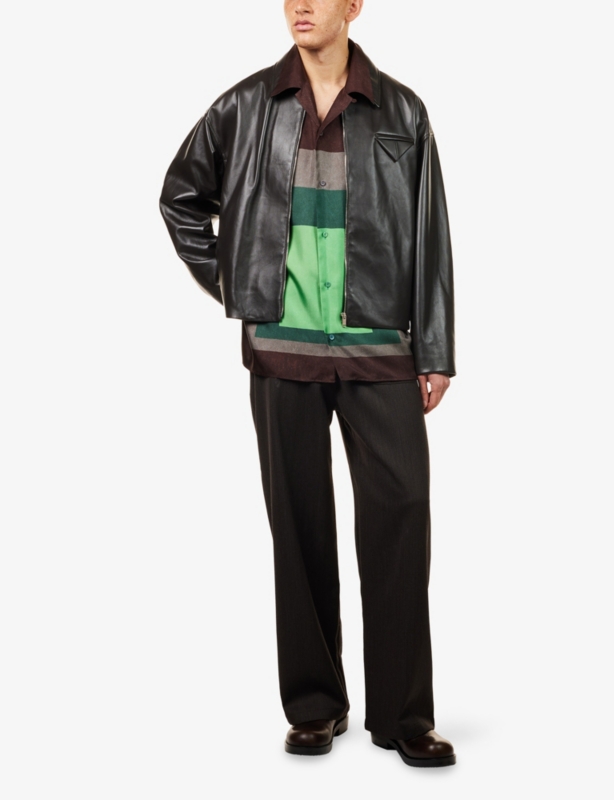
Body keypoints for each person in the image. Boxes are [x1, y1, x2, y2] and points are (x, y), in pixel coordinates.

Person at [160, 0, 456, 769]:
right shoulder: (245, 106)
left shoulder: (402, 112)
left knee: (401, 517)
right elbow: (180, 197)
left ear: (353, 5)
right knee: (297, 527)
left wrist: (434, 349)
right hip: (282, 351)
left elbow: (429, 233)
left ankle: (404, 715)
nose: (301, 4)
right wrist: (241, 284)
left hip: (380, 349)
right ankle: (316, 706)